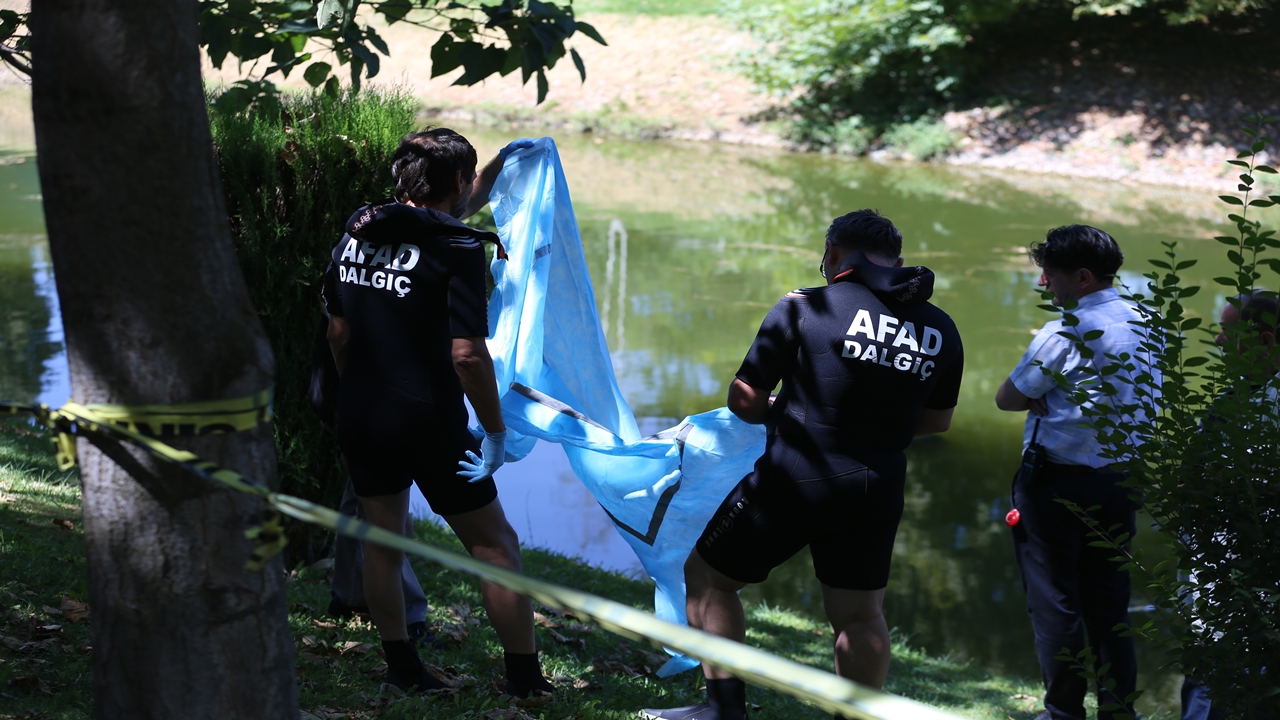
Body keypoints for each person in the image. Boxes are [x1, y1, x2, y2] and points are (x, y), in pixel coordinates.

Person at [642, 210, 965, 720]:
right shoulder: (941, 328)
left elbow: (744, 399)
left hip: (797, 473)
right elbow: (937, 421)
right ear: (897, 263)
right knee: (860, 617)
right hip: (876, 485)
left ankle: (724, 710)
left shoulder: (806, 306)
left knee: (707, 577)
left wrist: (791, 413)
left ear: (834, 253)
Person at [320, 129, 553, 700]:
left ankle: (402, 669)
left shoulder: (359, 228)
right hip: (429, 420)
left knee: (383, 540)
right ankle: (524, 681)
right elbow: (468, 356)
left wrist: (497, 163)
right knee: (494, 546)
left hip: (364, 411)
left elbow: (339, 331)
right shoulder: (457, 249)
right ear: (456, 181)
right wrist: (495, 431)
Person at [994, 225, 1149, 720]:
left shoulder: (1069, 330)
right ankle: (1118, 711)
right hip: (1122, 482)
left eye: (1051, 275)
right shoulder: (1150, 321)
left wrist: (1045, 396)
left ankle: (1062, 712)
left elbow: (1007, 398)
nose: (1044, 284)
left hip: (1057, 485)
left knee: (1055, 601)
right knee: (1110, 604)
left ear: (1082, 277)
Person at [307, 315, 433, 643]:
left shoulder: (349, 265)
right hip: (362, 398)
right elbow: (339, 332)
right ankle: (409, 615)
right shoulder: (359, 269)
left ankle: (348, 595)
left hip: (351, 395)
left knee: (362, 494)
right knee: (387, 516)